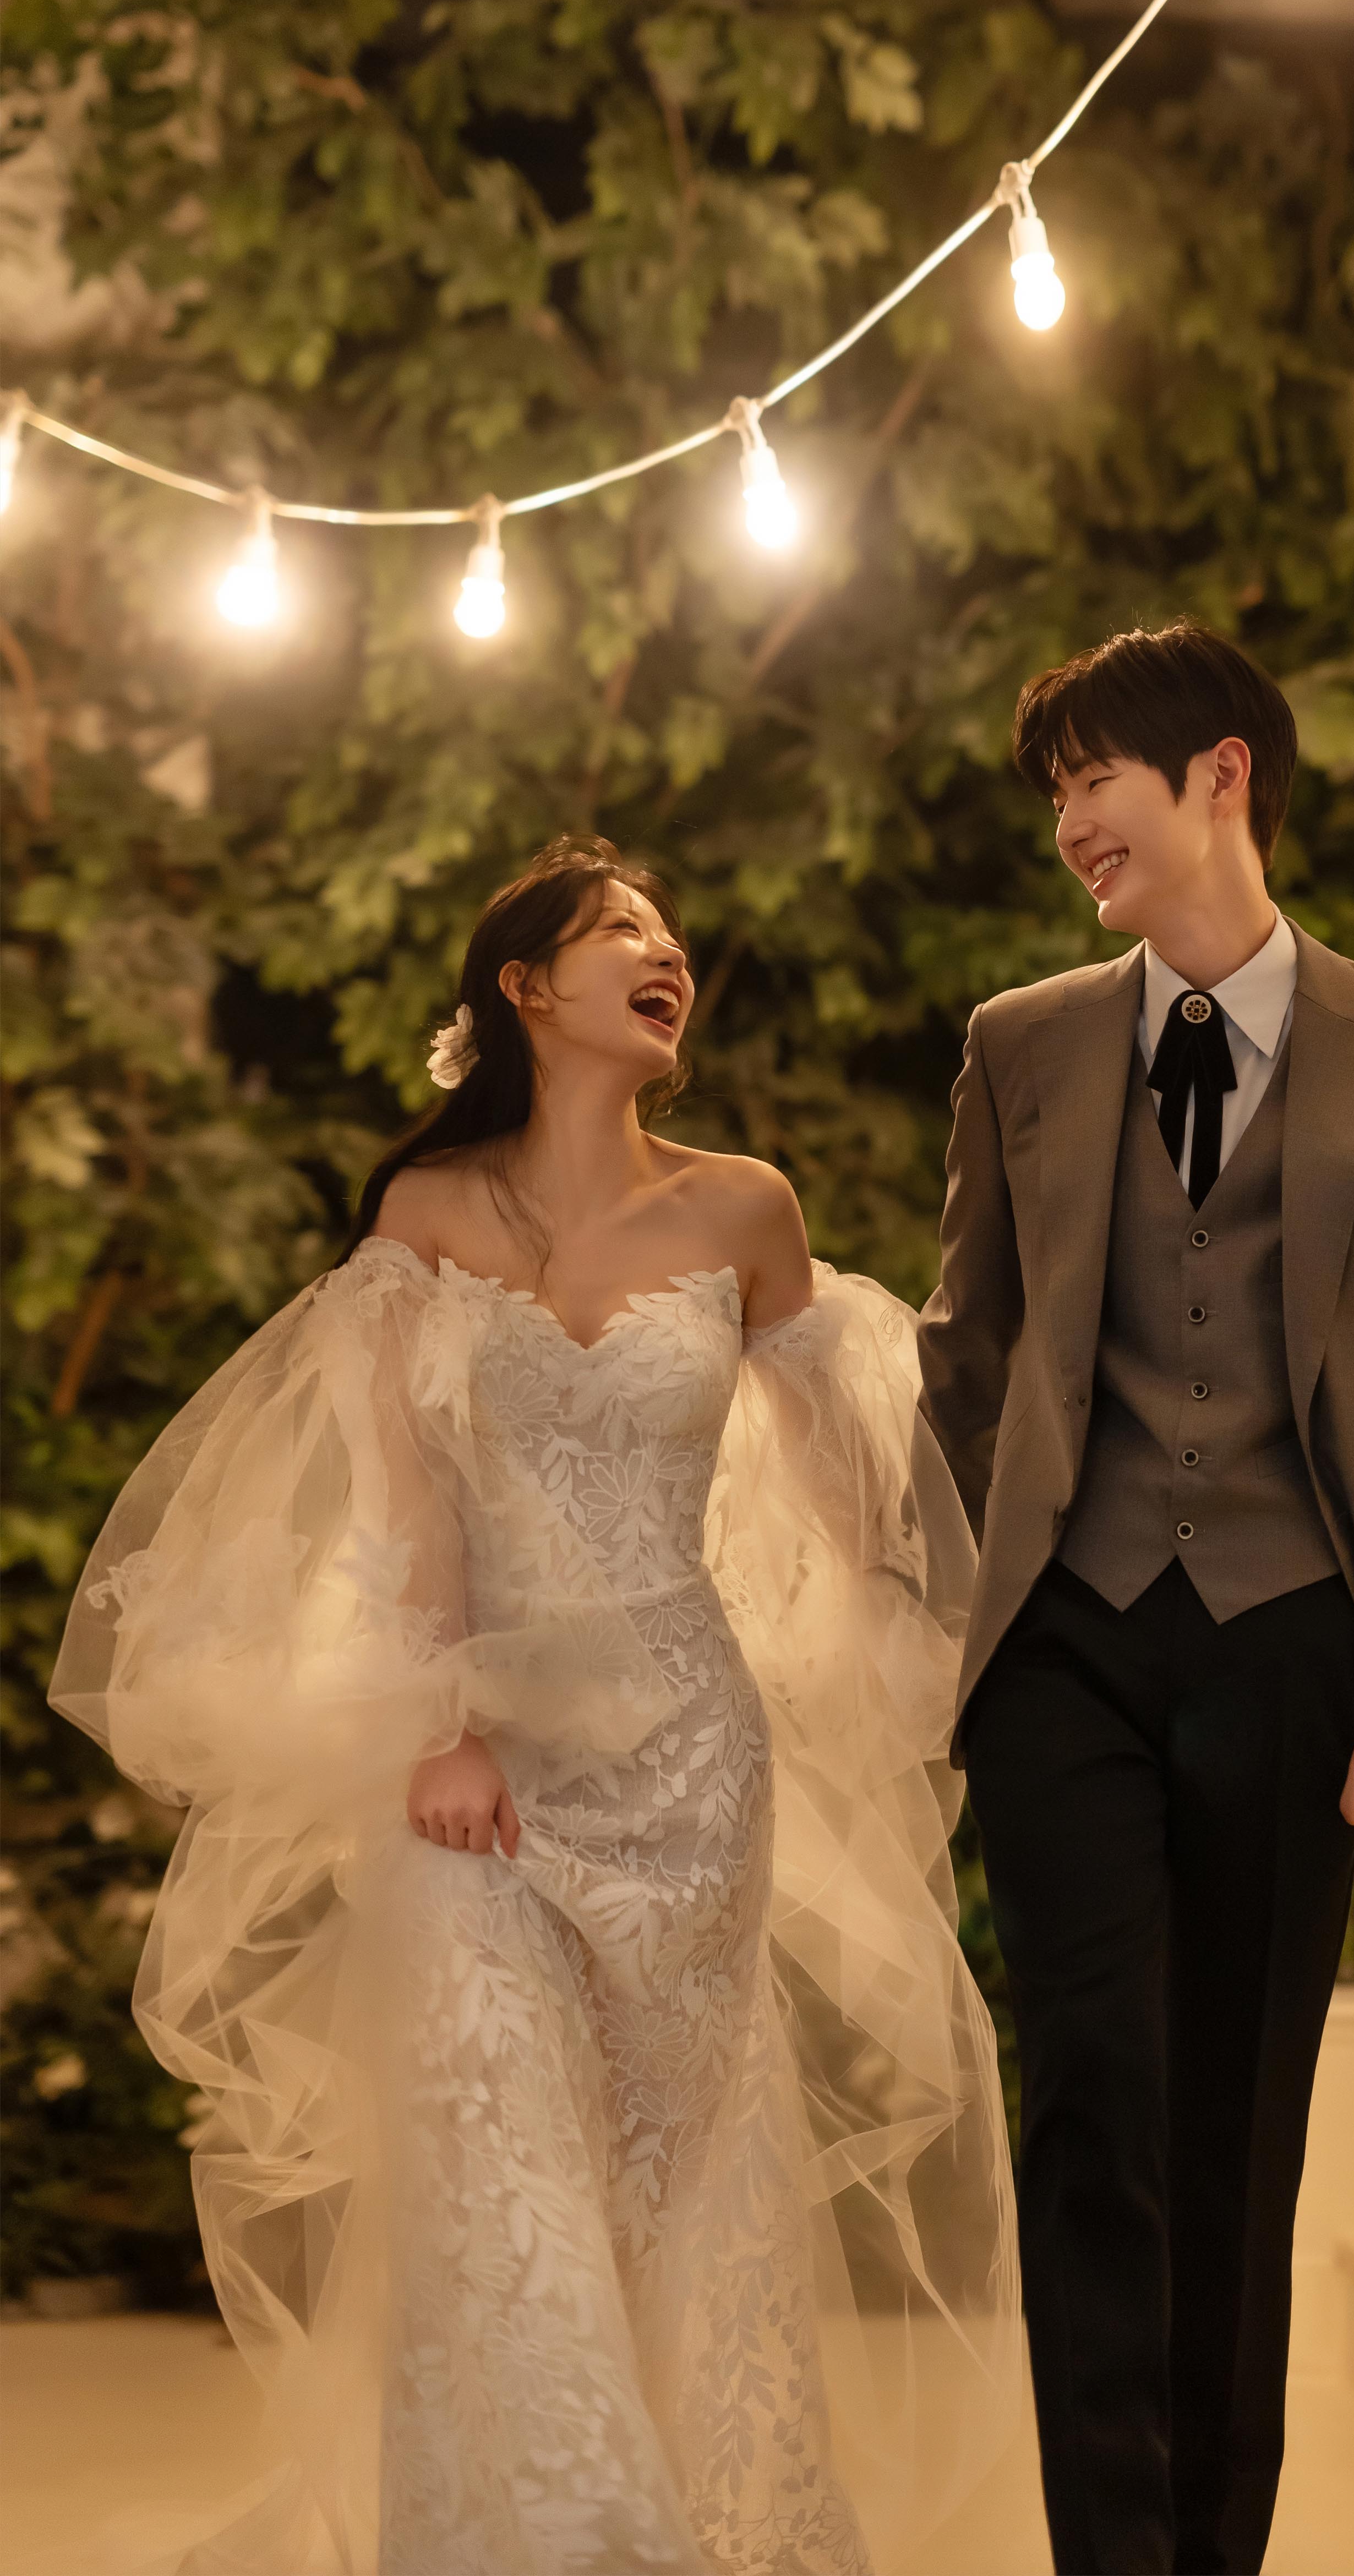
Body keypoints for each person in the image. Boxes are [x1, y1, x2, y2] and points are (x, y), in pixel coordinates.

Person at [51, 835, 1019, 2576]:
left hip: (692, 1761)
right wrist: (438, 1721)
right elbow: (403, 1503)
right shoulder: (425, 1215)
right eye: (621, 932)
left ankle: (703, 2517)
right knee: (496, 2161)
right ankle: (570, 2544)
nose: (667, 956)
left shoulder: (745, 1207)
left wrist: (916, 1618)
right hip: (474, 1763)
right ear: (523, 989)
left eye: (670, 935)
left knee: (673, 2177)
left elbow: (847, 1503)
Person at [917, 621, 1354, 2576]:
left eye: (1095, 777)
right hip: (1067, 1645)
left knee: (1238, 2124)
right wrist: (974, 1592)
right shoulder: (1021, 1044)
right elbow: (965, 1349)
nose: (1070, 823)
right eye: (1055, 794)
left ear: (1221, 777)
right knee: (1089, 2102)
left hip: (1299, 1644)